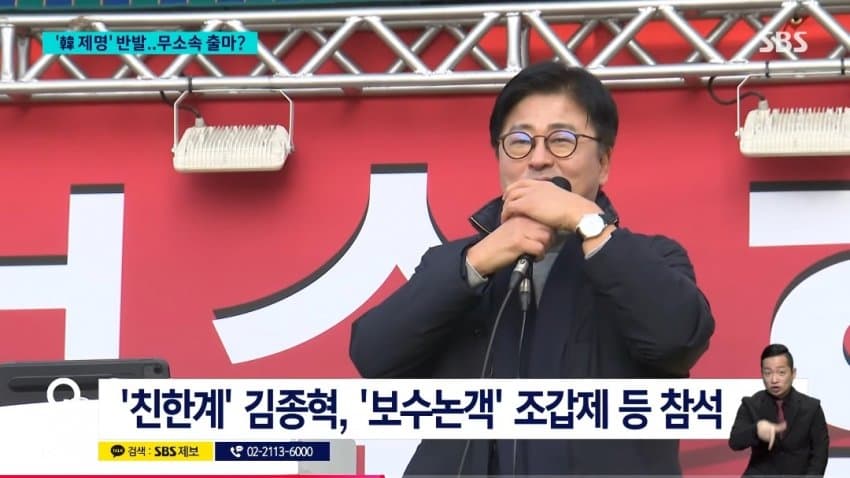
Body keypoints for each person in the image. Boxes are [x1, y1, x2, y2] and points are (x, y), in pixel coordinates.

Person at [348, 61, 716, 476]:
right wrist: (477, 262)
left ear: (604, 162)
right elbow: (374, 356)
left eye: (562, 140)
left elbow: (678, 340)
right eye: (519, 141)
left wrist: (587, 222)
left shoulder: (652, 259)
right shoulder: (454, 266)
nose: (538, 159)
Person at [729, 344, 829, 476]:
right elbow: (735, 442)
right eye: (768, 373)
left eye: (781, 372)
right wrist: (756, 430)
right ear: (762, 374)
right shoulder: (751, 404)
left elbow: (820, 454)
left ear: (793, 373)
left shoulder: (811, 407)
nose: (774, 379)